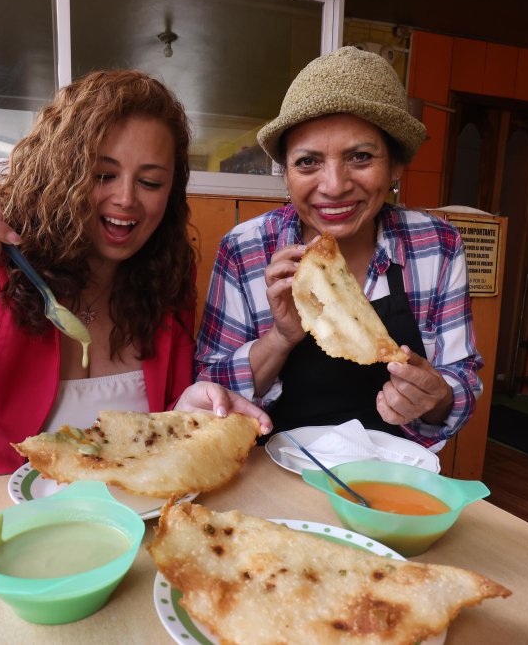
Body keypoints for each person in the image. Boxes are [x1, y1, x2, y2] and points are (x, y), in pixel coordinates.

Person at [0, 70, 269, 481]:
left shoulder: (168, 274)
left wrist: (188, 409)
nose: (125, 199)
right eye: (103, 175)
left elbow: (162, 423)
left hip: (124, 517)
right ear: (62, 174)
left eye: (150, 182)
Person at [195, 46, 482, 449]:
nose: (333, 186)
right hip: (272, 481)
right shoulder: (246, 248)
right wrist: (280, 338)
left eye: (361, 157)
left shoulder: (437, 244)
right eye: (308, 162)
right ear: (286, 174)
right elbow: (210, 394)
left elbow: (461, 378)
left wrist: (435, 398)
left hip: (392, 484)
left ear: (396, 165)